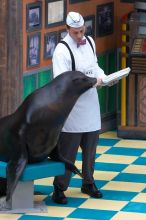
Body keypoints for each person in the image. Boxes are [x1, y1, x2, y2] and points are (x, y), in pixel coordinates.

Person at [52, 11, 107, 204]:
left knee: (91, 150)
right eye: (75, 32)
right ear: (67, 30)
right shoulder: (61, 50)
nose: (80, 36)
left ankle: (88, 182)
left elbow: (95, 65)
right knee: (68, 152)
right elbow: (62, 83)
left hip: (91, 105)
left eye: (82, 31)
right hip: (73, 110)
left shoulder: (90, 42)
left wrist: (103, 77)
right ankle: (59, 188)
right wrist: (91, 81)